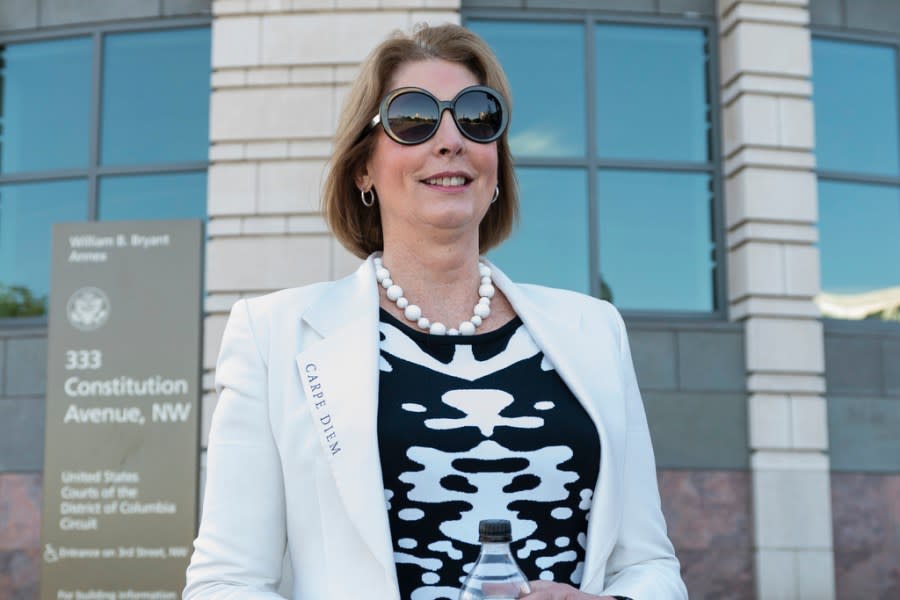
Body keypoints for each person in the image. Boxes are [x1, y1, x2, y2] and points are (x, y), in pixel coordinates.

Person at [184, 23, 687, 600]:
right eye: (414, 119)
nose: (450, 139)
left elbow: (647, 564)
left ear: (495, 161)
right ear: (363, 169)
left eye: (476, 117)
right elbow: (227, 582)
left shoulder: (595, 331)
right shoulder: (273, 337)